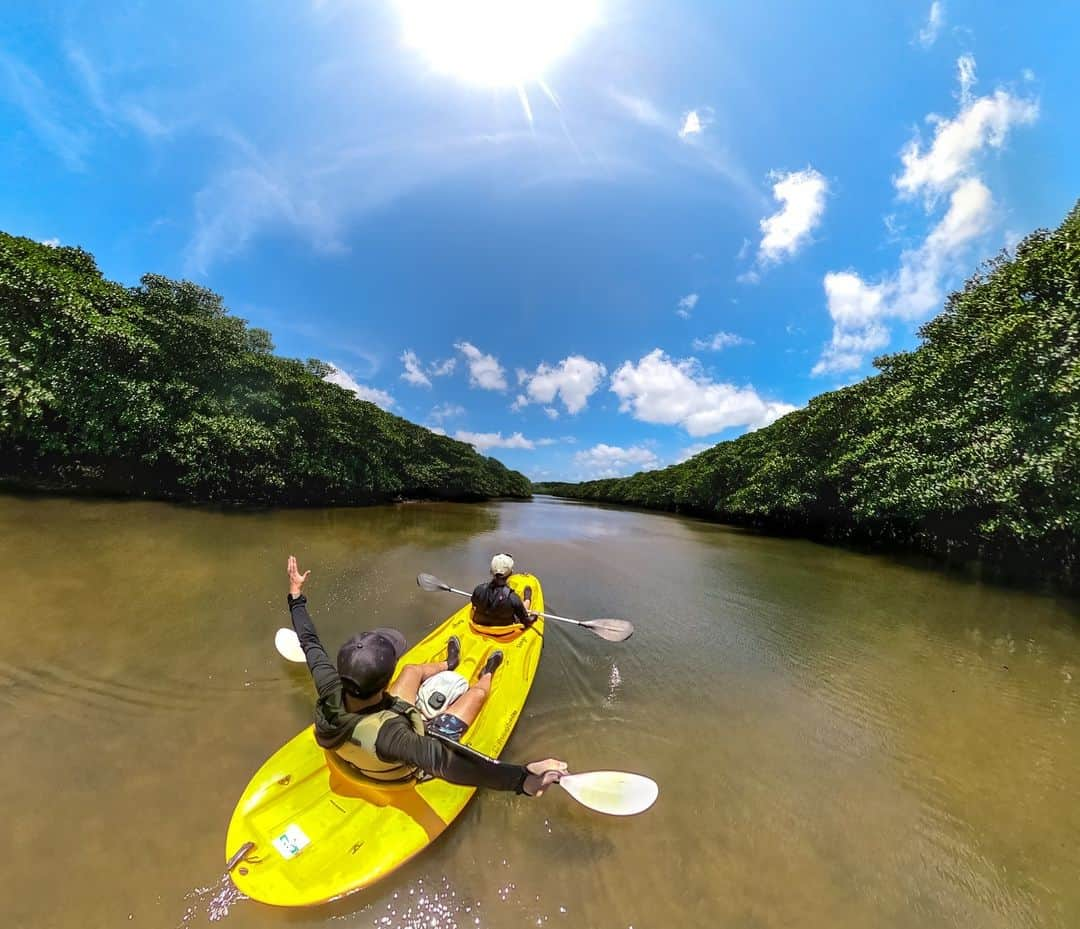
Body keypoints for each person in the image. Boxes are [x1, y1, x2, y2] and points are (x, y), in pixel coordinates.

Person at [285, 556, 565, 796]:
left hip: (364, 736)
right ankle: (488, 673)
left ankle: (449, 662)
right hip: (393, 770)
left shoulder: (329, 686)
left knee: (413, 671)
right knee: (476, 694)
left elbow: (310, 643)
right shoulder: (395, 738)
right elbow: (450, 765)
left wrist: (296, 596)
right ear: (385, 682)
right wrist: (524, 780)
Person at [471, 553, 535, 628]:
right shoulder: (513, 598)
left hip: (481, 625)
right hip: (503, 630)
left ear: (491, 571)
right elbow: (527, 622)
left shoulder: (479, 589)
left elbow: (474, 606)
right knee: (523, 605)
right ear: (511, 573)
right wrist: (534, 616)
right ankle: (527, 599)